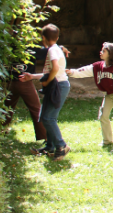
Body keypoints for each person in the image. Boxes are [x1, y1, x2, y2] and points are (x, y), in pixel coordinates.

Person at [19, 24, 70, 161]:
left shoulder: (53, 50)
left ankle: (61, 146)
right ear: (57, 37)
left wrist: (47, 82)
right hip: (56, 85)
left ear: (43, 38)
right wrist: (33, 76)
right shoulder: (56, 49)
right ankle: (50, 147)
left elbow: (55, 68)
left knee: (48, 118)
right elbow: (50, 71)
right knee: (44, 116)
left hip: (58, 86)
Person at [3, 47, 51, 142]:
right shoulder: (29, 48)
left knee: (7, 108)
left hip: (10, 82)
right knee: (36, 109)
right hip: (25, 81)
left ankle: (0, 132)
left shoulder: (7, 47)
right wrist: (61, 48)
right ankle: (45, 136)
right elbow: (47, 52)